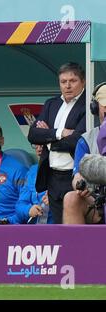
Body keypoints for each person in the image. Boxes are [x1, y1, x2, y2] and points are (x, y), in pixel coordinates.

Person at [28, 62, 86, 224]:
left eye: (72, 81)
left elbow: (77, 140)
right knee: (60, 227)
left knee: (75, 227)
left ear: (83, 82)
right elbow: (33, 134)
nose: (67, 85)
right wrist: (59, 133)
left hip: (75, 175)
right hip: (53, 176)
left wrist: (47, 140)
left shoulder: (87, 106)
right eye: (63, 81)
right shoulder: (51, 104)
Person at [63, 83, 106, 224]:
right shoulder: (86, 140)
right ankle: (74, 245)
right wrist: (81, 186)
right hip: (97, 201)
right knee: (71, 198)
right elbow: (77, 176)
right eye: (105, 104)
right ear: (95, 107)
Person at [15, 144, 53, 224]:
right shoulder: (32, 171)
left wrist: (55, 201)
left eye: (42, 145)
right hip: (34, 229)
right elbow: (20, 205)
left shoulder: (64, 171)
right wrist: (28, 210)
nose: (39, 149)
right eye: (36, 145)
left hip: (56, 227)